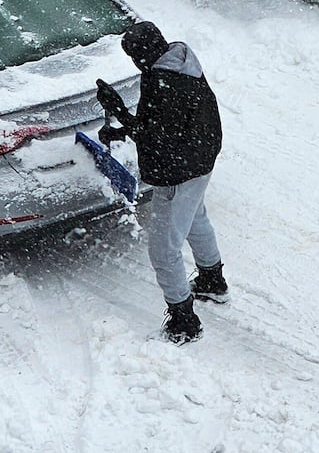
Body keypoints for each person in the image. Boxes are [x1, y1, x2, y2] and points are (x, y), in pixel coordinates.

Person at [96, 20, 227, 345]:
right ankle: (212, 281)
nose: (136, 64)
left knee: (164, 250)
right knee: (195, 218)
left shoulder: (164, 80)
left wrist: (119, 114)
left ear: (142, 55)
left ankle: (185, 321)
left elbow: (155, 133)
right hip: (197, 160)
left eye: (134, 58)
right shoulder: (178, 63)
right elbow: (161, 122)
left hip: (181, 168)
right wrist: (123, 125)